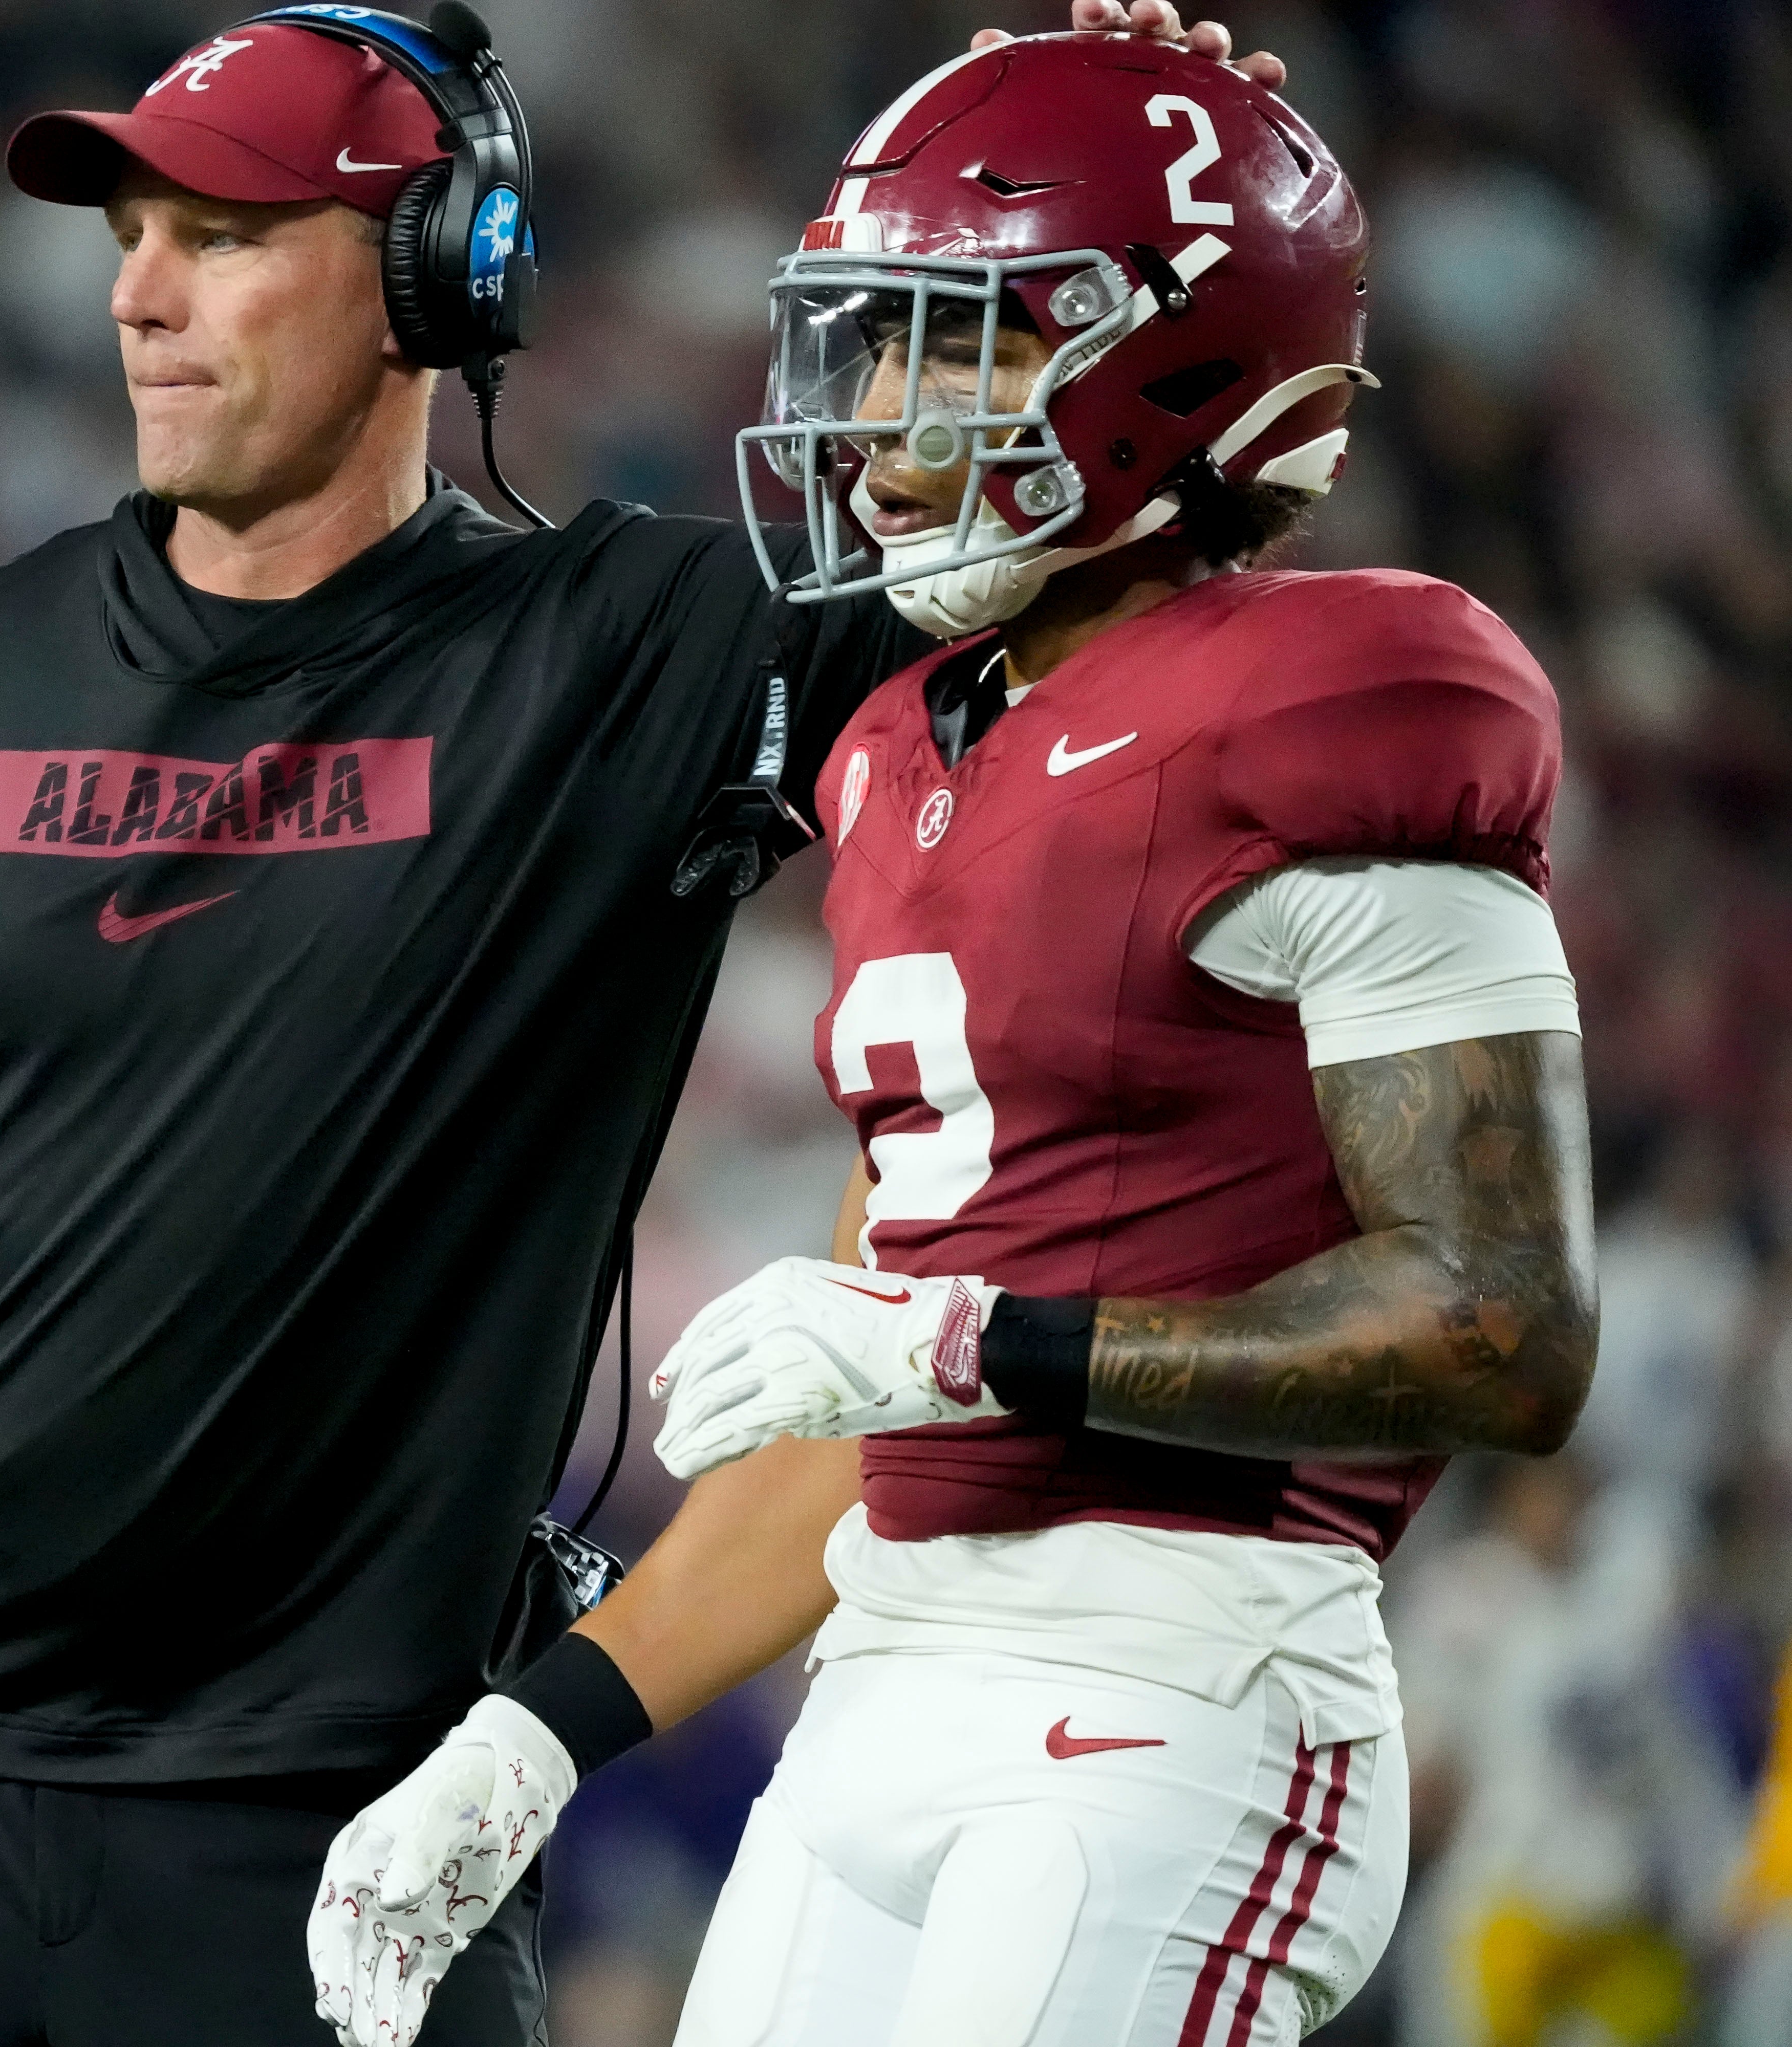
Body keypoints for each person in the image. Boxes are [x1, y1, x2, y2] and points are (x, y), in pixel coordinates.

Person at [0, 7, 1285, 2045]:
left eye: (225, 233)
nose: (140, 294)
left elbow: (1106, 575)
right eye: (129, 235)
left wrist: (1170, 186)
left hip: (337, 1832)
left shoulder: (628, 660)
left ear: (440, 271)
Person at [308, 31, 1596, 2047]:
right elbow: (862, 1402)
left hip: (1178, 1694)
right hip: (887, 1693)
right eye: (870, 346)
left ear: (1169, 359)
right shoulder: (904, 747)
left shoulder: (1343, 695)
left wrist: (986, 1342)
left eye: (957, 344)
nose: (883, 421)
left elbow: (1506, 1323)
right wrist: (534, 1740)